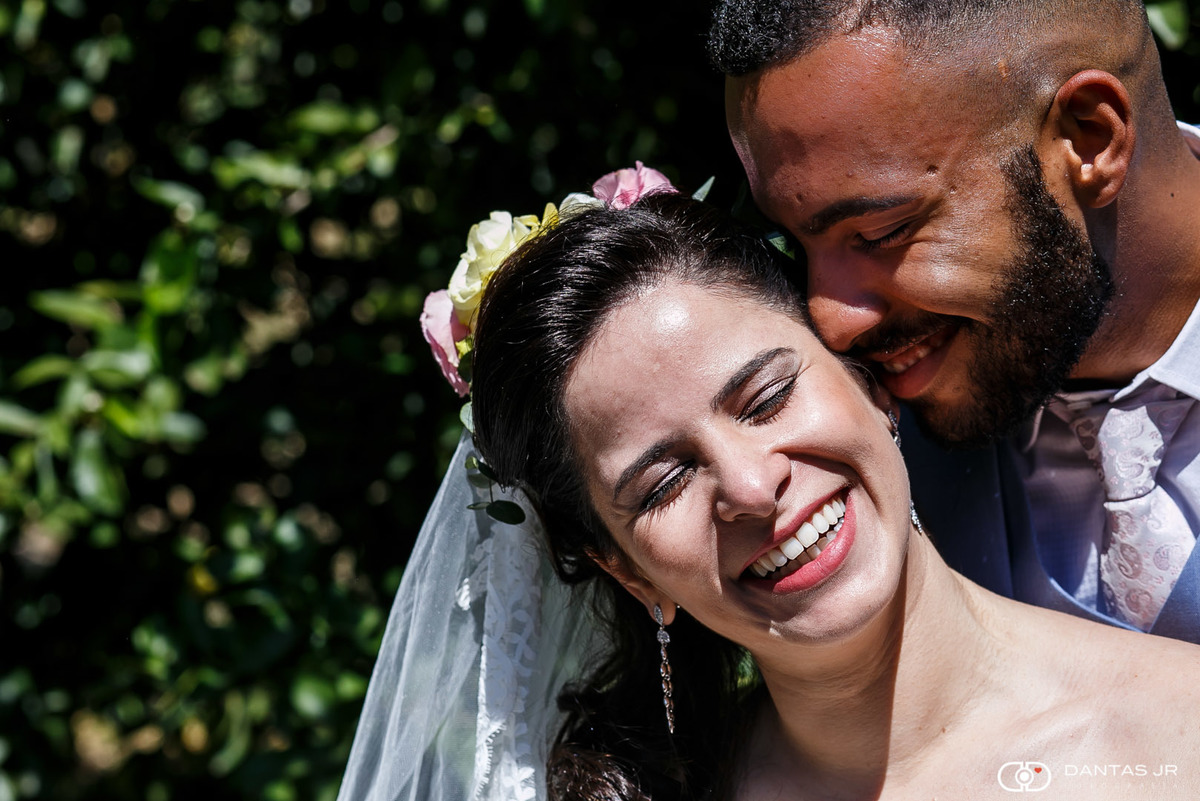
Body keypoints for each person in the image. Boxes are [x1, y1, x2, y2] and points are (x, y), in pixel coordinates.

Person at [341, 188, 1200, 800]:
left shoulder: (1176, 734)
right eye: (665, 480)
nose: (753, 487)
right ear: (625, 567)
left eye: (765, 398)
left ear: (866, 383)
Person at [711, 0, 1200, 641]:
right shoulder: (847, 465)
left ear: (1089, 138)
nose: (829, 324)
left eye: (882, 231)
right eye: (800, 247)